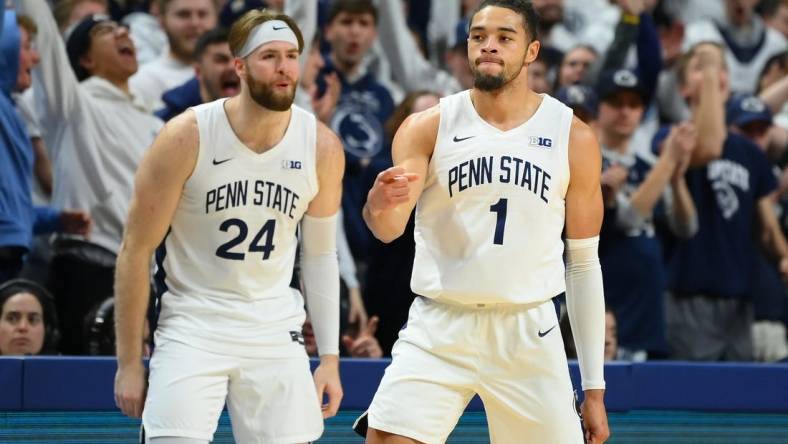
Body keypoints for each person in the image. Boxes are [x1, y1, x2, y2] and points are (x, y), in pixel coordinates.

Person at [357, 1, 609, 443]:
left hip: (528, 328)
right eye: (478, 36)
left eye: (504, 37)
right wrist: (376, 205)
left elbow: (585, 264)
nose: (488, 46)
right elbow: (389, 228)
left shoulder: (574, 136)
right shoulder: (427, 126)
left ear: (532, 51)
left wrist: (594, 389)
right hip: (440, 323)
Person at [113, 9, 344, 443]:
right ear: (239, 65)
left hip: (275, 329)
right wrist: (128, 362)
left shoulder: (322, 147)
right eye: (269, 56)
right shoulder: (185, 137)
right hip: (192, 324)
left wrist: (329, 357)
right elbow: (135, 250)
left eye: (292, 55)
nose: (284, 68)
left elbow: (319, 255)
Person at [15, 0, 163, 355]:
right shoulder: (72, 106)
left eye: (122, 27)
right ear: (84, 59)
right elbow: (46, 37)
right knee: (85, 387)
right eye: (104, 30)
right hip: (86, 265)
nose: (122, 31)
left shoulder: (158, 126)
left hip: (147, 275)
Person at [1, 9, 91, 283]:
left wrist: (54, 220)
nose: (36, 58)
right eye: (26, 46)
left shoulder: (11, 111)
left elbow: (10, 206)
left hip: (12, 254)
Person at [129, 0, 218, 110]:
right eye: (183, 14)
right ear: (162, 21)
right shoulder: (142, 81)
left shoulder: (237, 72)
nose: (195, 23)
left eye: (202, 14)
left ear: (216, 19)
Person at [156, 27, 240, 122]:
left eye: (238, 61)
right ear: (198, 71)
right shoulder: (167, 123)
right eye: (221, 60)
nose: (232, 67)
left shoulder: (258, 113)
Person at [0, 278, 59, 356]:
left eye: (33, 319)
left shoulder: (66, 368)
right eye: (12, 319)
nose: (23, 327)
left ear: (47, 331)